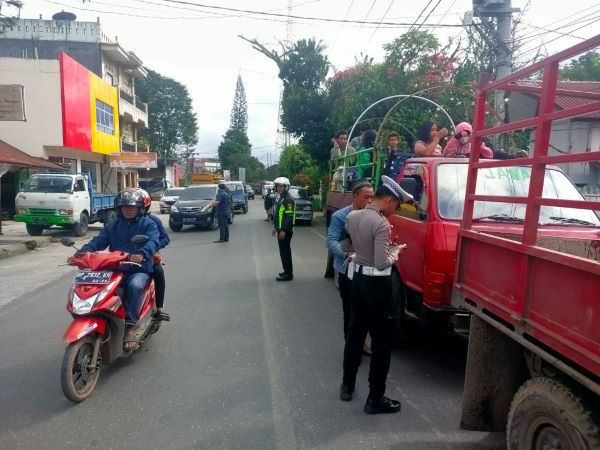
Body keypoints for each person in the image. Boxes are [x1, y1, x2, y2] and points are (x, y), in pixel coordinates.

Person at [339, 175, 412, 415]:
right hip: (377, 286)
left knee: (355, 335)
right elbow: (382, 263)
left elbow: (345, 247)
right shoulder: (381, 224)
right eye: (396, 205)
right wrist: (396, 252)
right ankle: (375, 398)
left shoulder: (353, 216)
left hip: (357, 281)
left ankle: (347, 386)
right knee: (381, 343)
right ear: (389, 200)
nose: (395, 210)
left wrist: (361, 254)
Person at [68, 189, 160, 351]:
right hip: (116, 267)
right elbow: (98, 241)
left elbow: (153, 241)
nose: (128, 209)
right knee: (95, 287)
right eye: (124, 207)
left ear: (140, 208)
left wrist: (142, 253)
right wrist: (82, 253)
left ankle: (131, 325)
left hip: (137, 268)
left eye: (132, 206)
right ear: (119, 209)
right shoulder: (113, 226)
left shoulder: (148, 224)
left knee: (134, 285)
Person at [325, 180, 374, 342]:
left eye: (371, 197)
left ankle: (361, 342)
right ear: (354, 197)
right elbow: (330, 241)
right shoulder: (340, 216)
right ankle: (351, 344)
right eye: (365, 197)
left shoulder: (374, 216)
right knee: (350, 309)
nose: (369, 201)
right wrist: (346, 254)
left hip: (367, 270)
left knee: (366, 309)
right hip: (347, 269)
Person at [136, 188, 170, 321]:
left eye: (135, 207)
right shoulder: (118, 223)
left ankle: (159, 307)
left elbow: (164, 238)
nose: (130, 209)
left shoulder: (152, 221)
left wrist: (153, 248)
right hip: (124, 258)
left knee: (158, 272)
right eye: (126, 206)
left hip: (148, 257)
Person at [272, 176, 296, 281]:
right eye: (278, 186)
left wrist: (283, 230)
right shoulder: (281, 197)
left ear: (286, 187)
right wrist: (276, 227)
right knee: (283, 251)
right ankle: (286, 271)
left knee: (285, 251)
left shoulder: (288, 199)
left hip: (285, 230)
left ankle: (288, 274)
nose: (279, 188)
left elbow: (289, 216)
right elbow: (279, 215)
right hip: (280, 229)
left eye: (281, 186)